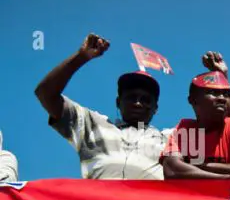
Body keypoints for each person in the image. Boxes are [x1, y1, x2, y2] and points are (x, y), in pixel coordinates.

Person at [35, 33, 172, 179]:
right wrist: (81, 57)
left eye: (145, 100)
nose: (138, 103)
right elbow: (45, 93)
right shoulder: (93, 125)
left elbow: (199, 137)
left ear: (155, 108)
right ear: (118, 102)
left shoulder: (171, 139)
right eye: (131, 97)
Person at [160, 71, 230, 180]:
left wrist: (197, 166)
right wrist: (226, 178)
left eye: (226, 94)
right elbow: (171, 169)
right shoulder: (185, 127)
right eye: (213, 92)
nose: (222, 98)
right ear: (193, 100)